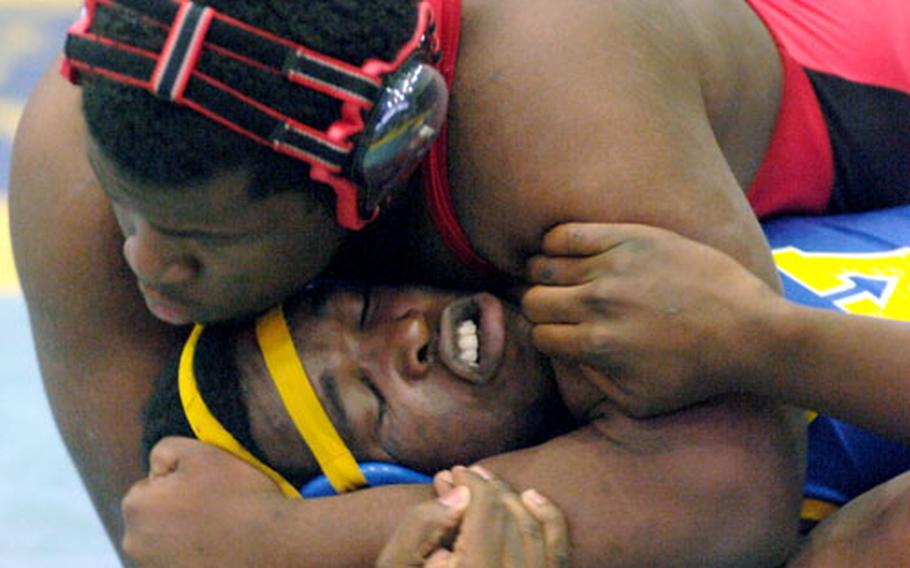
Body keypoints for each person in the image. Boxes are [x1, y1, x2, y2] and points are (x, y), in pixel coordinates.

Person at [13, 0, 909, 561]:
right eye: (131, 214)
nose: (146, 265)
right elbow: (172, 534)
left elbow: (726, 494)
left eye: (199, 239)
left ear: (375, 177)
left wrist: (288, 544)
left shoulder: (548, 95)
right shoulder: (86, 150)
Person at [128, 281, 799, 567]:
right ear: (388, 492)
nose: (410, 335)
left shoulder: (623, 255)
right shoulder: (711, 512)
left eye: (366, 305)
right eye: (371, 401)